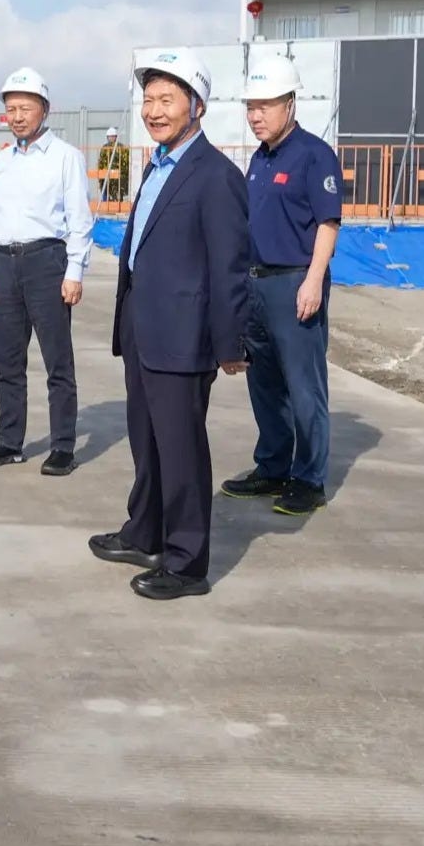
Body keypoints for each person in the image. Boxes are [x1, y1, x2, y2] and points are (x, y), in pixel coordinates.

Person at [88, 48, 249, 601]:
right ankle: (145, 532)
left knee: (181, 451)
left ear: (196, 106)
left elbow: (229, 266)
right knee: (147, 442)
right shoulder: (157, 166)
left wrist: (230, 343)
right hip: (144, 330)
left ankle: (186, 561)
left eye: (167, 100)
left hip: (185, 337)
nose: (154, 111)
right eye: (149, 100)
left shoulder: (216, 177)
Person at [220, 52, 342, 518]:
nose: (256, 116)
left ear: (290, 103)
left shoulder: (314, 154)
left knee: (303, 385)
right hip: (257, 284)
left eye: (265, 106)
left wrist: (312, 281)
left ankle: (308, 478)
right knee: (264, 383)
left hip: (294, 282)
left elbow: (328, 224)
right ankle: (272, 465)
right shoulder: (259, 160)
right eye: (250, 106)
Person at [0, 67, 93, 478]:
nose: (18, 116)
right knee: (6, 361)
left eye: (26, 107)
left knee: (57, 361)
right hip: (5, 264)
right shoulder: (2, 162)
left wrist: (75, 271)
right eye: (11, 109)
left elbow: (80, 220)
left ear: (45, 109)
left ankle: (62, 445)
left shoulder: (66, 158)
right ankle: (9, 441)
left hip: (47, 263)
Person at [96, 127, 131, 204]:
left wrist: (122, 174)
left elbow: (126, 163)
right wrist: (100, 175)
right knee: (106, 195)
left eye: (113, 136)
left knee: (117, 197)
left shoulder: (122, 147)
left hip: (118, 179)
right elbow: (101, 161)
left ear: (116, 137)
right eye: (109, 136)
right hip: (106, 177)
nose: (111, 138)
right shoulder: (105, 147)